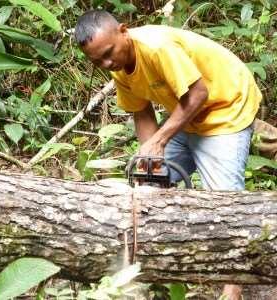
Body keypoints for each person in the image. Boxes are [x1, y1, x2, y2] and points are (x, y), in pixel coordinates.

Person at [74, 10, 262, 300]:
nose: (107, 63)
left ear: (124, 31)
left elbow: (199, 93)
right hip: (188, 115)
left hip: (226, 106)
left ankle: (232, 289)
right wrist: (150, 160)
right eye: (97, 61)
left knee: (225, 204)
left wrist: (161, 140)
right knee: (148, 181)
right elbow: (141, 112)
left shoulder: (156, 47)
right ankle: (145, 268)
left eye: (109, 53)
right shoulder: (120, 68)